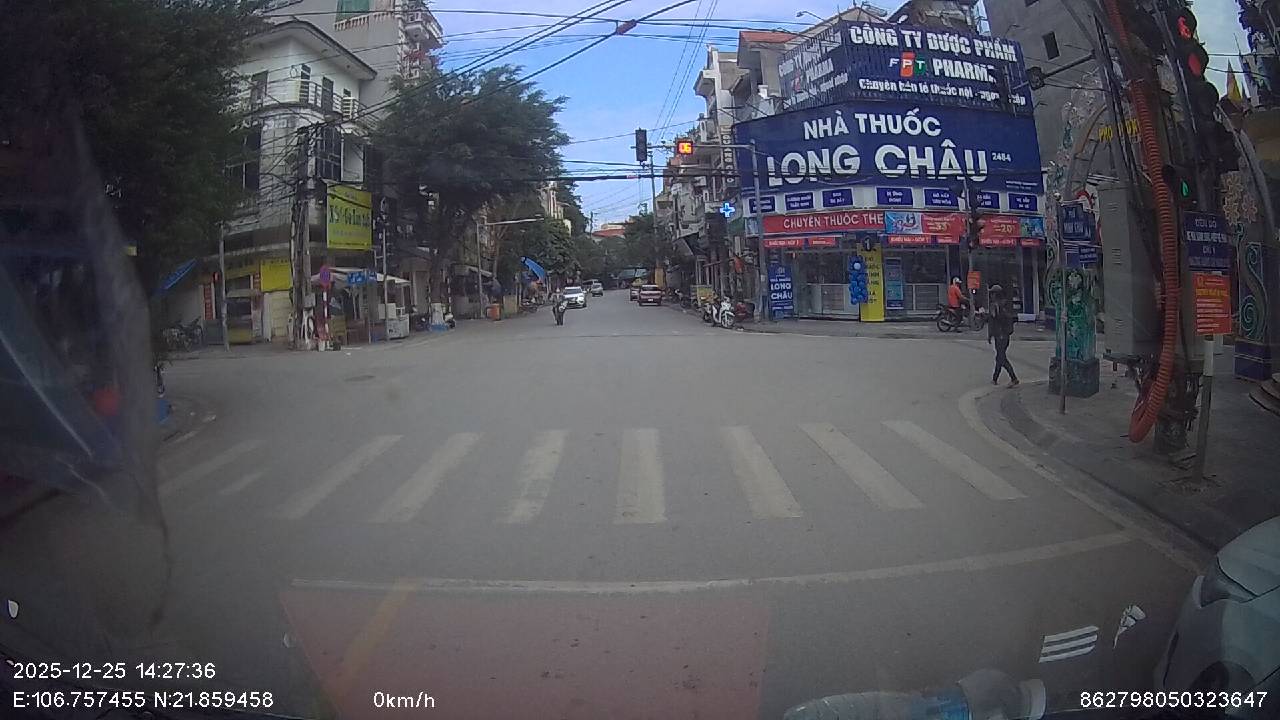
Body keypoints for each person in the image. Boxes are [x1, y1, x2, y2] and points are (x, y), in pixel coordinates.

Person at [987, 284, 1019, 387]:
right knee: (1000, 357)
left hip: (1001, 335)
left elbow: (994, 321)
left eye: (992, 293)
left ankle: (1013, 378)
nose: (991, 296)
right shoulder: (1002, 305)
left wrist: (990, 335)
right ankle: (995, 379)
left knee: (1001, 358)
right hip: (1002, 335)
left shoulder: (998, 306)